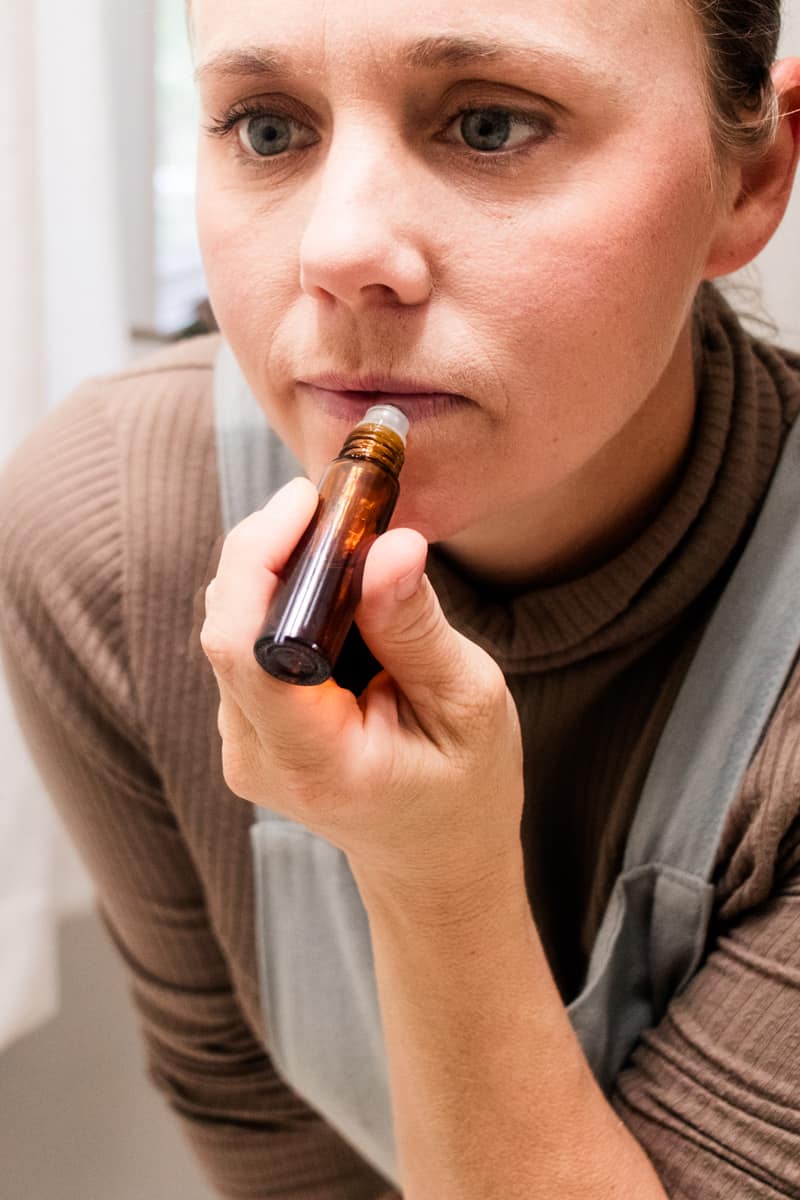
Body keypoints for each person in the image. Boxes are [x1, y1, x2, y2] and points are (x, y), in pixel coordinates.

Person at [1, 0, 800, 1195]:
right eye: (266, 130)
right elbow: (272, 1143)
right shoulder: (113, 535)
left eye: (487, 124)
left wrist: (435, 885)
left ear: (751, 177)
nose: (338, 250)